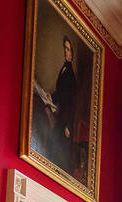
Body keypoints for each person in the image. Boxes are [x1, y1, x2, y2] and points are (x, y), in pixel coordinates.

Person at [49, 35, 77, 174]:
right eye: (65, 48)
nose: (66, 52)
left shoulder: (70, 74)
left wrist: (67, 124)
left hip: (65, 117)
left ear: (72, 53)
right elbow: (61, 91)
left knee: (58, 142)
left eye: (68, 49)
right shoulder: (64, 68)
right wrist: (52, 97)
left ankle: (57, 170)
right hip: (62, 112)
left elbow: (70, 101)